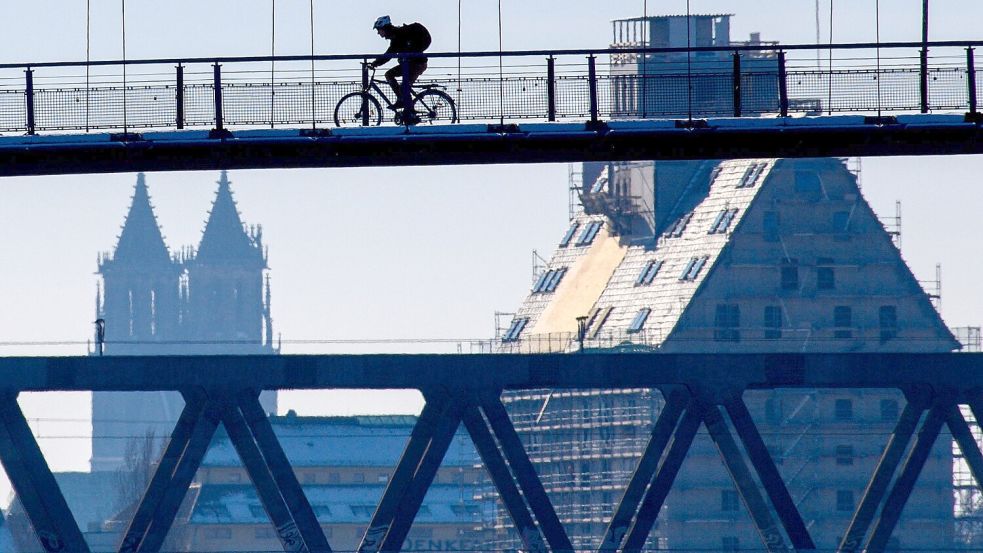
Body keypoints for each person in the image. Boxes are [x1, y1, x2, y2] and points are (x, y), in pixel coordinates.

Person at [369, 15, 432, 112]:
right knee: (394, 78)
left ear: (384, 28)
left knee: (402, 86)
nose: (378, 33)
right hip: (412, 63)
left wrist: (375, 63)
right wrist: (376, 63)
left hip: (417, 64)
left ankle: (409, 110)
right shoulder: (396, 36)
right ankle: (403, 102)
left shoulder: (398, 36)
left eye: (379, 30)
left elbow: (389, 54)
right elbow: (389, 54)